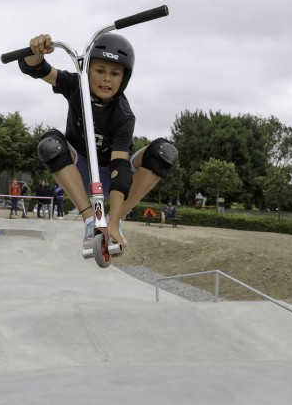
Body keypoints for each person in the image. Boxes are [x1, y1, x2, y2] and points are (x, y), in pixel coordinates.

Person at [17, 33, 178, 252]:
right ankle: (89, 221)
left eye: (115, 73)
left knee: (164, 152)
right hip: (77, 168)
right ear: (88, 70)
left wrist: (112, 223)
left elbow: (120, 167)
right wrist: (35, 52)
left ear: (124, 78)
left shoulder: (124, 115)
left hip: (113, 174)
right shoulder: (75, 85)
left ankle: (116, 221)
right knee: (50, 144)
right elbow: (35, 69)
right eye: (100, 70)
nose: (106, 79)